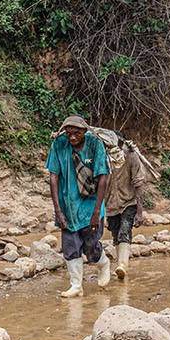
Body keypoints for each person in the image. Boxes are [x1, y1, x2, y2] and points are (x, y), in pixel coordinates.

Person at [45, 114, 110, 298]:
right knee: (70, 246)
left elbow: (103, 177)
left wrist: (97, 211)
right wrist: (58, 211)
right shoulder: (58, 145)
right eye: (69, 133)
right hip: (68, 206)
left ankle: (103, 263)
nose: (72, 137)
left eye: (76, 133)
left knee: (91, 247)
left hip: (90, 206)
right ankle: (76, 285)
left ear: (84, 132)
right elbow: (53, 177)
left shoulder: (94, 145)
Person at [97, 127, 152, 280]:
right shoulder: (104, 157)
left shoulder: (130, 156)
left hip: (129, 201)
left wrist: (139, 212)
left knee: (125, 230)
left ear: (120, 144)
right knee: (115, 234)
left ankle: (122, 265)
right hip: (111, 204)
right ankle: (121, 265)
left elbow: (138, 183)